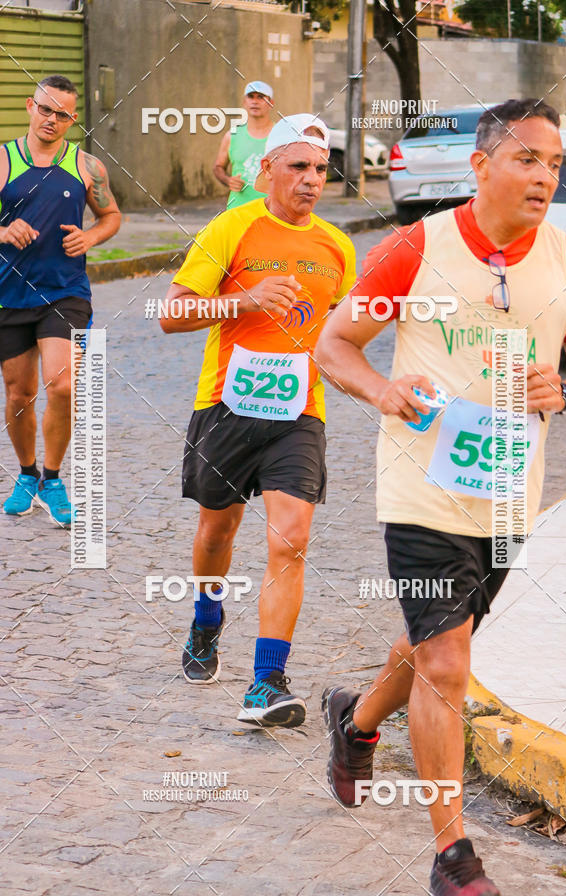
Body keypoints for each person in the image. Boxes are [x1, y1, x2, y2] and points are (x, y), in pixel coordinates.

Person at [315, 98, 566, 896]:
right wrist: (381, 388)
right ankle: (453, 855)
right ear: (481, 166)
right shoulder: (417, 247)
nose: (546, 176)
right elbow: (334, 345)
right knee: (447, 658)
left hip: (510, 490)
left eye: (554, 163)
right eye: (528, 159)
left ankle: (358, 720)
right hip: (420, 486)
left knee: (445, 636)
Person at [161, 114, 356, 727]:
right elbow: (171, 314)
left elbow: (342, 337)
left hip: (299, 412)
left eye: (321, 169)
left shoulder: (337, 246)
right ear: (266, 168)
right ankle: (206, 617)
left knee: (290, 540)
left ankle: (266, 683)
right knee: (217, 533)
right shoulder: (232, 226)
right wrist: (243, 300)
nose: (310, 180)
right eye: (298, 166)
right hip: (226, 403)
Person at [1, 74, 121, 525]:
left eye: (63, 114)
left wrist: (91, 235)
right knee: (18, 394)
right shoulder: (3, 160)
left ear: (73, 118)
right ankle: (27, 474)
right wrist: (3, 231)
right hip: (8, 293)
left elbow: (111, 214)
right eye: (45, 109)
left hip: (65, 292)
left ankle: (53, 477)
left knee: (65, 385)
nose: (52, 119)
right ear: (30, 107)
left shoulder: (87, 166)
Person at [213, 80, 274, 209]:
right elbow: (218, 167)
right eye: (251, 97)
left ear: (271, 103)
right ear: (244, 102)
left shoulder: (280, 136)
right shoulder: (232, 135)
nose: (255, 101)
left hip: (270, 211)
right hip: (237, 210)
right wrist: (228, 180)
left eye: (261, 97)